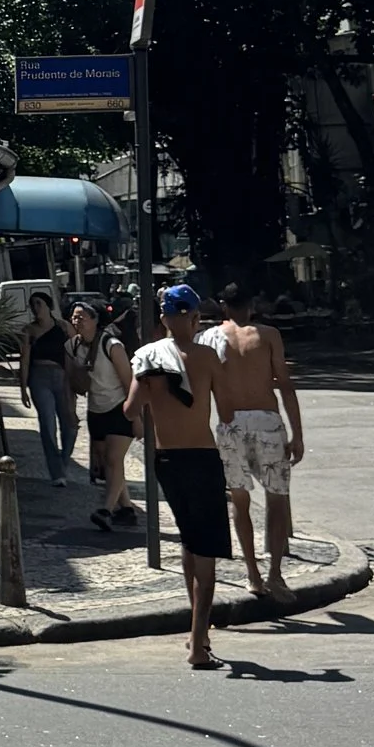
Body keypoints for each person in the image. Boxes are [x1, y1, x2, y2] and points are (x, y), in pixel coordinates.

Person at [124, 281, 232, 667]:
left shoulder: (149, 356)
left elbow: (130, 410)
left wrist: (157, 386)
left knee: (189, 539)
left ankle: (195, 628)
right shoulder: (207, 357)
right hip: (201, 457)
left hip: (166, 459)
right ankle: (198, 642)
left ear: (166, 318)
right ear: (194, 317)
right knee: (206, 553)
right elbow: (229, 410)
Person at [202, 277, 305, 603]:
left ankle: (252, 574)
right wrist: (298, 434)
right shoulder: (269, 335)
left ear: (223, 307)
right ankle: (275, 573)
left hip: (231, 424)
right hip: (266, 421)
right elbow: (285, 385)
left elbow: (202, 389)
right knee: (276, 498)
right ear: (252, 306)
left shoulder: (210, 337)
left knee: (240, 500)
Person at [74, 299, 137, 530]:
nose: (76, 321)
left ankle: (106, 510)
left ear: (96, 320)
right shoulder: (75, 346)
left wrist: (136, 417)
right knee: (107, 463)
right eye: (74, 316)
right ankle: (127, 509)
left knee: (113, 460)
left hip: (119, 408)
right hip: (96, 410)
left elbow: (129, 382)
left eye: (81, 317)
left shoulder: (112, 345)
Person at [22, 290, 76, 484]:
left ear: (48, 306)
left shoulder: (63, 327)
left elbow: (76, 353)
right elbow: (25, 360)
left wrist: (77, 381)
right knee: (47, 423)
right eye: (32, 305)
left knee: (70, 424)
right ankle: (57, 473)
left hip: (62, 377)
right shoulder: (29, 330)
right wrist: (23, 387)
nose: (36, 308)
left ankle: (62, 463)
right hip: (39, 377)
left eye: (39, 303)